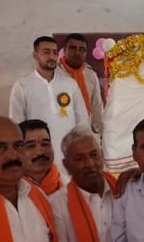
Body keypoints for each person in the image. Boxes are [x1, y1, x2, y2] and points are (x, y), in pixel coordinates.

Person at [9, 35, 89, 172]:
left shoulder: (70, 83)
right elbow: (16, 125)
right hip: (38, 156)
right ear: (35, 55)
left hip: (68, 154)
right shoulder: (22, 86)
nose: (52, 56)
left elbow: (82, 121)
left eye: (54, 52)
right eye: (46, 52)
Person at [59, 34, 104, 134]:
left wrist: (98, 131)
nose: (77, 52)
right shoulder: (55, 73)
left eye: (82, 49)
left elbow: (97, 105)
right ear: (64, 50)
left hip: (85, 130)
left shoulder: (90, 74)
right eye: (72, 48)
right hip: (61, 130)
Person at [19, 119, 65, 193]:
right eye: (31, 146)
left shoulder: (68, 185)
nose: (40, 152)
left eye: (45, 144)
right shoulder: (11, 190)